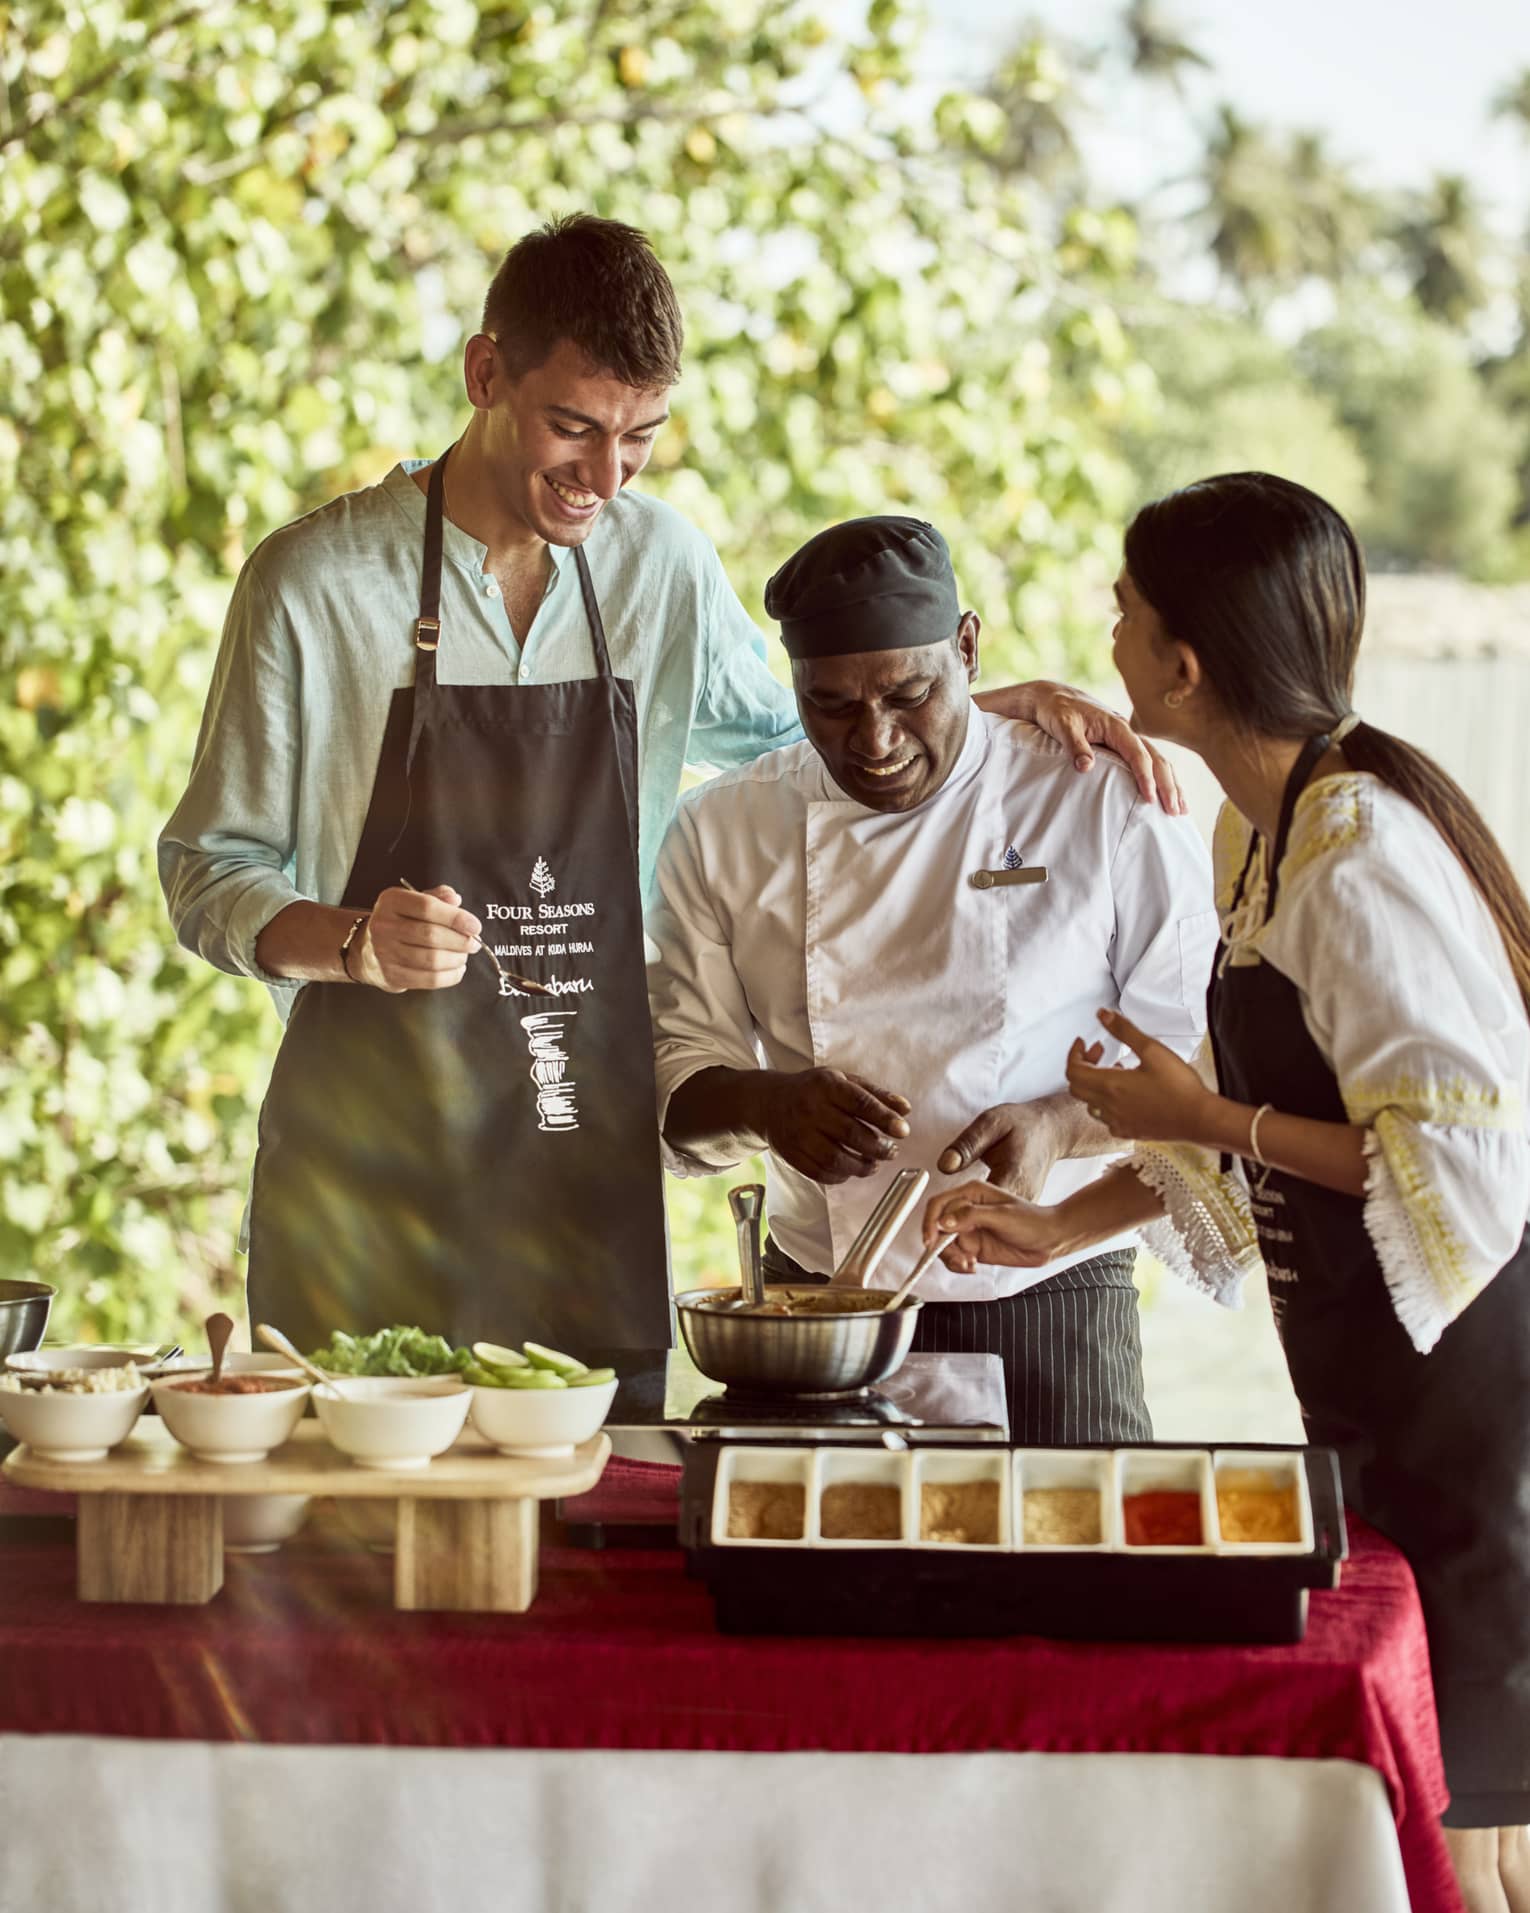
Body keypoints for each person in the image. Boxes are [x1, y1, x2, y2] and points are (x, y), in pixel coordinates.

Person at [159, 214, 1178, 1358]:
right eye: (573, 427)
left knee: (586, 1468)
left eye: (639, 437)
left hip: (578, 1150)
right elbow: (207, 872)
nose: (604, 477)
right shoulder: (313, 582)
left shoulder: (660, 564)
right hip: (367, 1161)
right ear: (486, 372)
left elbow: (806, 732)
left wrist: (974, 703)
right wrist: (354, 942)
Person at [925, 472, 1530, 1909]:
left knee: (1473, 1844)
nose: (1107, 634)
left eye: (1124, 610)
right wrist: (1068, 1216)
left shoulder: (1358, 857)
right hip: (1374, 1390)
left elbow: (1451, 1158)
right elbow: (1262, 1120)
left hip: (1475, 1422)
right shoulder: (1260, 835)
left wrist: (1199, 1112)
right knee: (1437, 1817)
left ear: (1185, 666)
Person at [647, 516, 1216, 1439]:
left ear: (968, 648)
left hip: (1051, 1287)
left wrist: (1057, 1124)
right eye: (831, 705)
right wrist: (766, 1104)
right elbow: (672, 1085)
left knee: (1077, 1534)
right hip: (814, 1303)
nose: (874, 738)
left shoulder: (1099, 797)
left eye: (910, 694)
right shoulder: (723, 830)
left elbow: (1199, 1053)